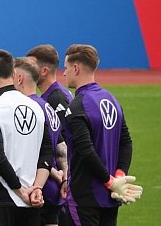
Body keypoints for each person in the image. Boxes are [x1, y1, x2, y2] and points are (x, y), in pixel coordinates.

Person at [61, 44, 139, 226]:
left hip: (85, 198)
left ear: (76, 68)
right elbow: (126, 141)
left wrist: (110, 182)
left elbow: (86, 151)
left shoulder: (77, 106)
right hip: (111, 198)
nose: (64, 73)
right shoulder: (111, 99)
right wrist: (119, 175)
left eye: (65, 68)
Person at [0, 50, 53, 225]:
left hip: (1, 198)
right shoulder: (36, 107)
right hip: (32, 201)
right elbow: (47, 152)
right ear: (13, 73)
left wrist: (21, 191)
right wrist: (37, 188)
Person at [14, 57, 67, 226]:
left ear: (19, 78)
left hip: (38, 188)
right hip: (54, 190)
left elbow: (34, 151)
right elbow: (61, 148)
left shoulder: (27, 109)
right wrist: (63, 175)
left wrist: (52, 172)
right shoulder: (47, 106)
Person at [25, 45, 72, 124]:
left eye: (31, 67)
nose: (26, 71)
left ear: (44, 71)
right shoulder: (53, 94)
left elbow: (65, 134)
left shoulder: (56, 99)